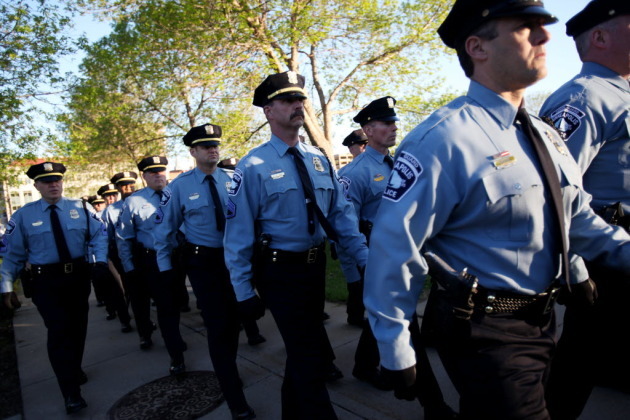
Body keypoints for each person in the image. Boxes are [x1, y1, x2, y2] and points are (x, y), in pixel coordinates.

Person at [362, 1, 630, 419]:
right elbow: (395, 250)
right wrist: (396, 347)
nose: (545, 37)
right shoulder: (443, 139)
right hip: (484, 333)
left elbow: (574, 217)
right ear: (477, 47)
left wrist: (580, 269)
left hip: (542, 322)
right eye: (526, 28)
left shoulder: (544, 134)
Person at [224, 71, 368, 420]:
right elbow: (238, 235)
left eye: (300, 99)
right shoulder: (253, 166)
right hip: (279, 271)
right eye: (287, 101)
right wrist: (243, 290)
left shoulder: (319, 159)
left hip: (314, 266)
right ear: (268, 111)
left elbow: (342, 214)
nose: (297, 106)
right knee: (306, 351)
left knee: (305, 350)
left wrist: (365, 258)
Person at [539, 1, 630, 417]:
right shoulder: (584, 98)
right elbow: (555, 194)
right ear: (599, 36)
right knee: (577, 363)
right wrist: (573, 270)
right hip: (606, 257)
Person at [154, 123, 256, 420]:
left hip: (237, 261)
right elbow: (164, 232)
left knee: (235, 320)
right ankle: (235, 397)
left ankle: (229, 370)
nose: (213, 149)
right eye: (206, 146)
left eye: (215, 144)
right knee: (218, 326)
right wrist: (166, 271)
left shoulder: (234, 180)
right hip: (205, 265)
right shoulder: (178, 188)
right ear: (193, 152)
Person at [0, 162, 108, 414]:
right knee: (58, 331)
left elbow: (99, 235)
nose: (53, 185)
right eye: (46, 181)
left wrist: (100, 260)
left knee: (77, 328)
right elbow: (12, 255)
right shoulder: (23, 216)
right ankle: (70, 392)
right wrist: (6, 286)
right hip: (45, 283)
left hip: (77, 278)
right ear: (36, 185)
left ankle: (73, 367)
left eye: (57, 180)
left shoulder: (81, 207)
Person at [116, 157, 187, 375]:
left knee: (178, 302)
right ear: (144, 176)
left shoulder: (177, 194)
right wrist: (129, 269)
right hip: (153, 260)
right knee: (165, 306)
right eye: (152, 172)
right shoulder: (134, 202)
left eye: (161, 171)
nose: (158, 175)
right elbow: (123, 237)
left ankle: (174, 336)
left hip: (180, 256)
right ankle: (176, 356)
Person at [92, 184, 132, 331]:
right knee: (117, 289)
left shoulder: (125, 207)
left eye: (113, 195)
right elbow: (102, 238)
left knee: (131, 287)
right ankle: (124, 319)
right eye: (107, 196)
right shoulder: (97, 216)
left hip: (128, 253)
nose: (111, 198)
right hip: (111, 255)